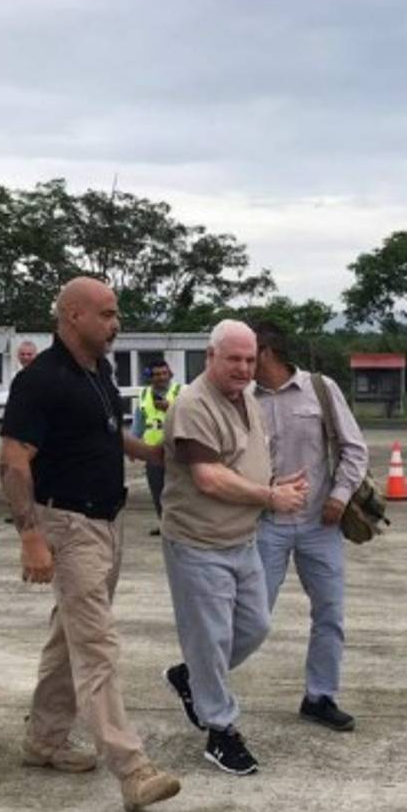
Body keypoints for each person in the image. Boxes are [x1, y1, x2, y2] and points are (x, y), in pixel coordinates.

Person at [0, 276, 180, 812]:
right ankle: (133, 768)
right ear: (73, 316)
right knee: (97, 646)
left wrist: (152, 454)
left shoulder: (99, 371)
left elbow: (104, 433)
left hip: (108, 523)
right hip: (68, 526)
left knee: (69, 637)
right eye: (106, 313)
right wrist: (30, 534)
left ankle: (45, 740)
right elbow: (13, 460)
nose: (115, 323)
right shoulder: (40, 381)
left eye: (116, 313)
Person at [159, 320, 308, 775]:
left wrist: (271, 483)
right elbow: (208, 476)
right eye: (234, 359)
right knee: (211, 637)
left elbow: (240, 463)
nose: (244, 368)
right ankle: (220, 731)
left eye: (250, 359)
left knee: (256, 626)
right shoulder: (193, 404)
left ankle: (191, 675)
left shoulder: (247, 398)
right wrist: (269, 497)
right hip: (199, 542)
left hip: (242, 539)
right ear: (211, 357)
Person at [252, 321, 369, 732]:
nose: (241, 363)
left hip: (321, 523)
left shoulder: (320, 388)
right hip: (265, 523)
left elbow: (354, 448)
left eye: (248, 353)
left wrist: (339, 496)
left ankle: (320, 696)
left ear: (265, 351)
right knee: (253, 615)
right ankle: (208, 689)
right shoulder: (241, 398)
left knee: (330, 614)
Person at [130, 358, 180, 535]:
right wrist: (133, 447)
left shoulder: (180, 392)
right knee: (158, 490)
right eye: (157, 374)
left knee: (178, 491)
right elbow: (139, 422)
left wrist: (171, 407)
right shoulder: (144, 395)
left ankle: (180, 526)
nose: (161, 377)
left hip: (177, 451)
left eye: (164, 373)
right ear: (150, 377)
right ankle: (164, 524)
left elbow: (191, 415)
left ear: (170, 374)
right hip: (152, 452)